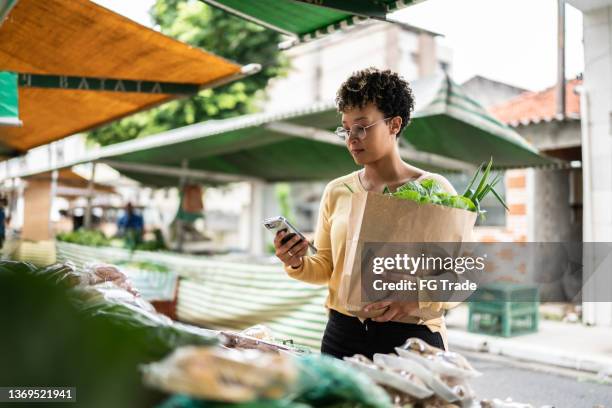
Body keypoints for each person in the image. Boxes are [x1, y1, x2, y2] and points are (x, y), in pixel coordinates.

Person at [273, 68, 458, 360]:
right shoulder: (337, 191)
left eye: (362, 127)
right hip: (342, 334)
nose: (351, 138)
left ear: (394, 124)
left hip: (412, 338)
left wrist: (416, 298)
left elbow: (460, 275)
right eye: (345, 129)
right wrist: (295, 262)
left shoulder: (435, 189)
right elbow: (325, 267)